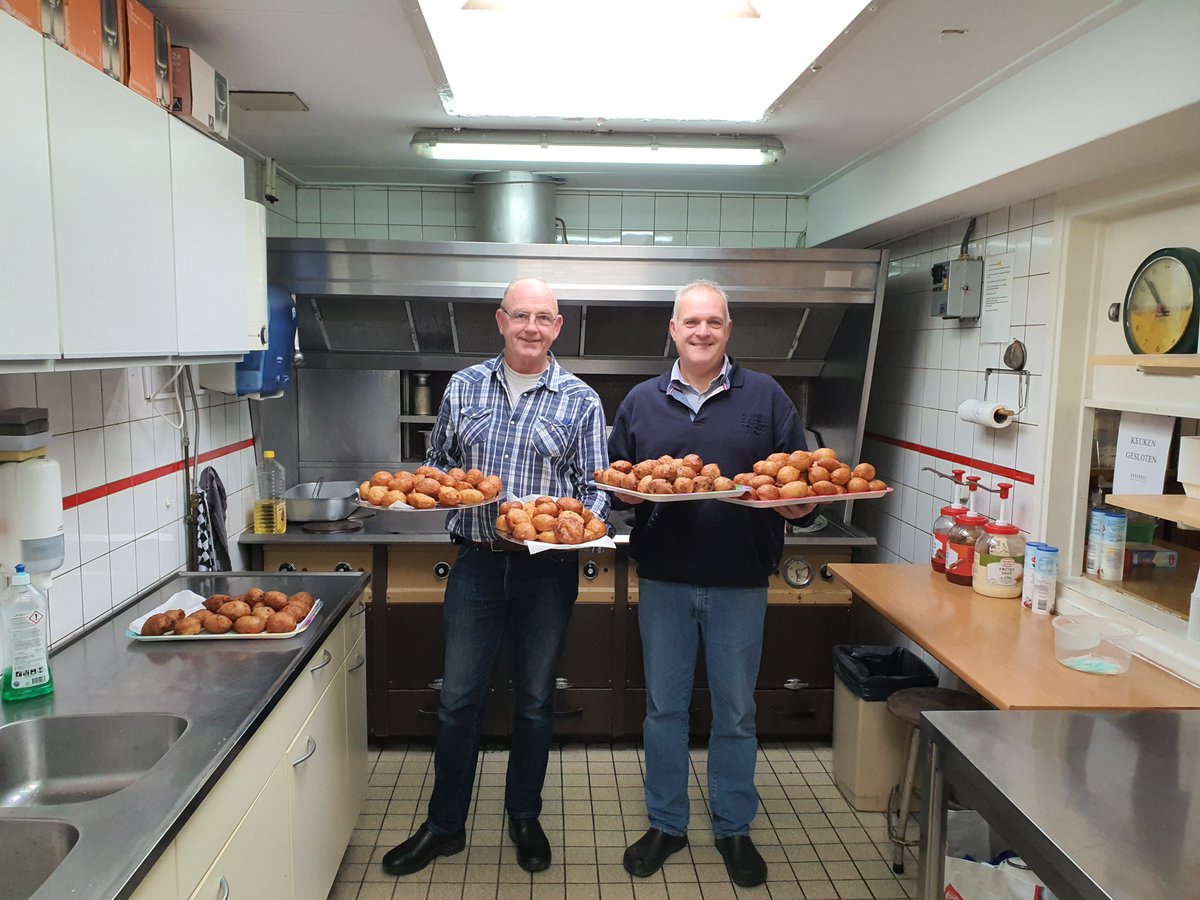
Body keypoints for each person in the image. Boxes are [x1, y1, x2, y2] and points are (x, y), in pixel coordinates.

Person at [382, 277, 610, 876]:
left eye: (544, 317)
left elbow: (596, 491)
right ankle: (444, 825)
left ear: (557, 327)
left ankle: (524, 816)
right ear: (501, 321)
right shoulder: (463, 387)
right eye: (520, 316)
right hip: (477, 566)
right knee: (458, 702)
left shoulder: (580, 400)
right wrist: (424, 494)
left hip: (548, 571)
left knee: (535, 703)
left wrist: (580, 527)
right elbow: (438, 466)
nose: (531, 327)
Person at [608, 279, 815, 888]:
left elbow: (797, 482)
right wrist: (620, 495)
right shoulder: (641, 402)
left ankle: (732, 828)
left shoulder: (768, 396)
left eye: (714, 323)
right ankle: (666, 824)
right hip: (666, 580)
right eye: (691, 322)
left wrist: (798, 509)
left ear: (728, 330)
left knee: (736, 713)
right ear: (673, 330)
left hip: (739, 581)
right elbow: (618, 483)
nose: (702, 332)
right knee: (664, 709)